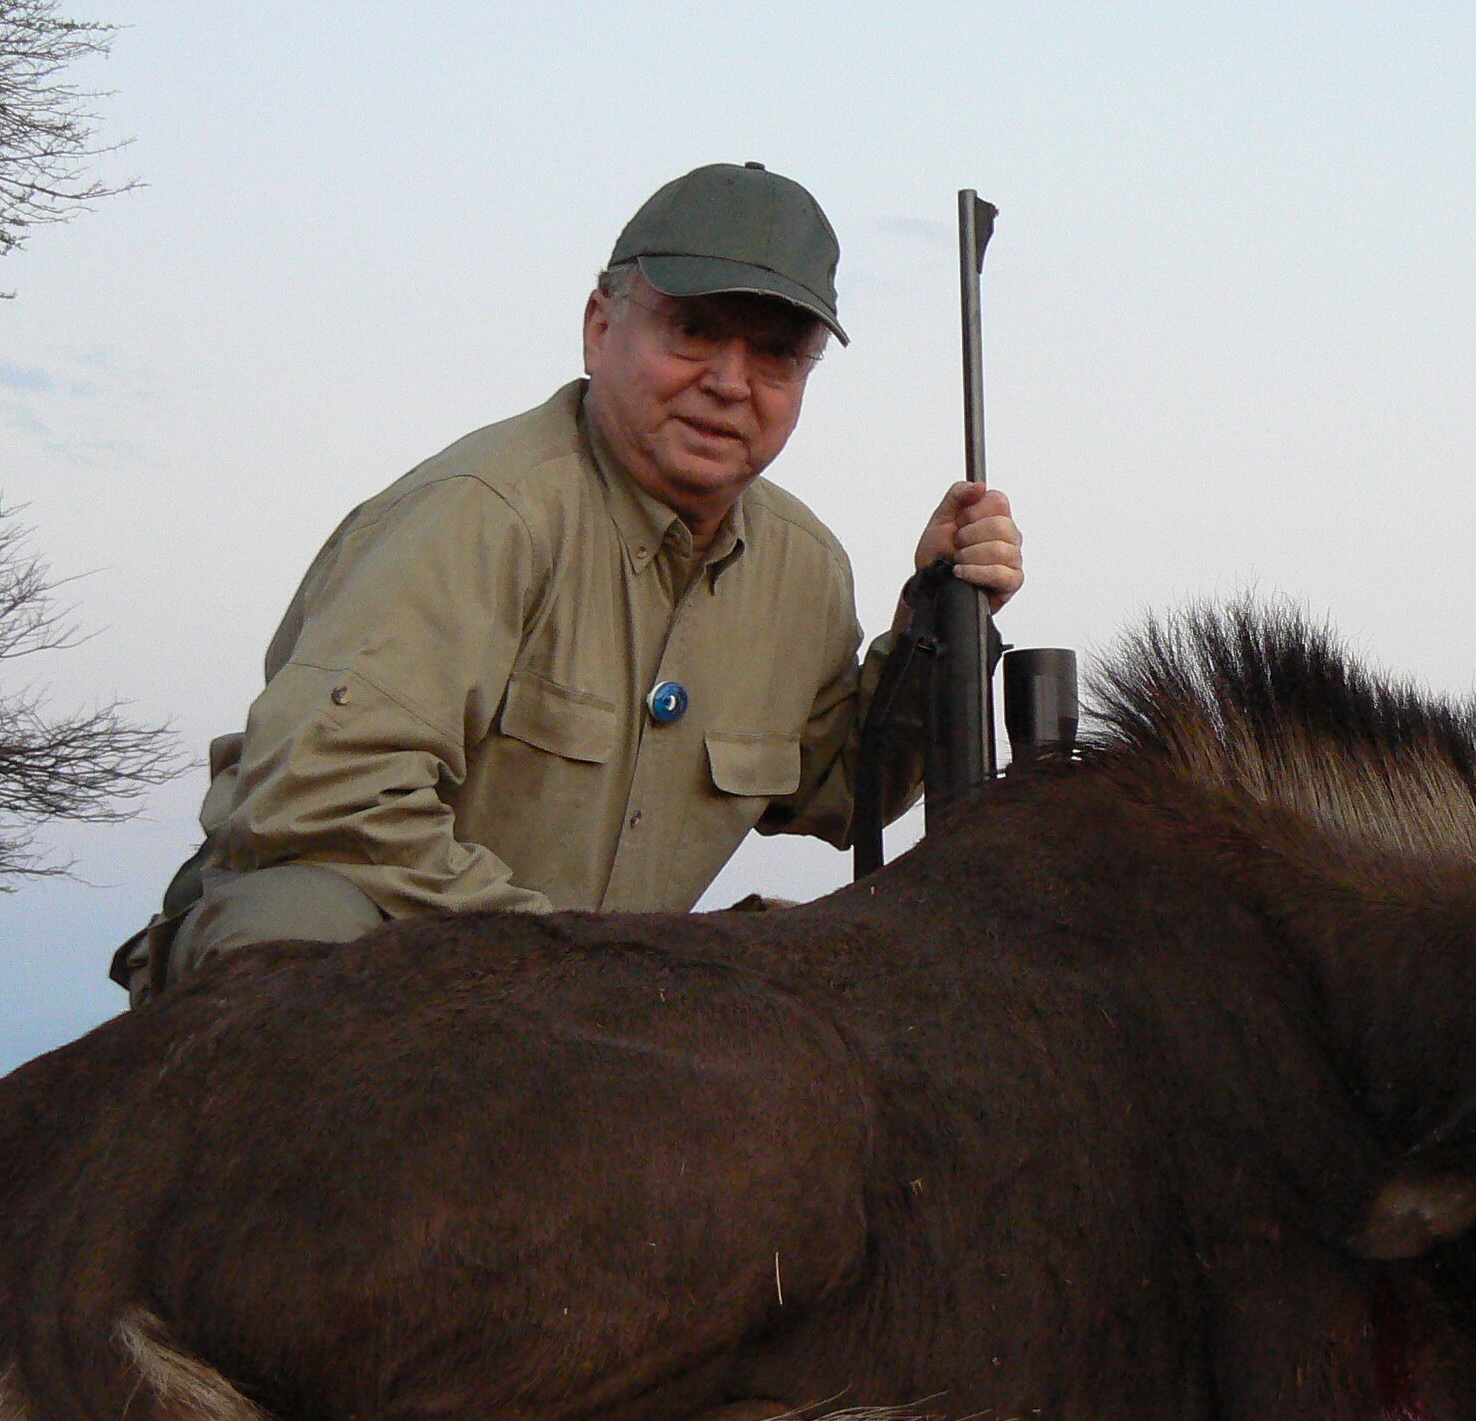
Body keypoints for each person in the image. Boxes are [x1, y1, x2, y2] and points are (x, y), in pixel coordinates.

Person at [113, 162, 1022, 997]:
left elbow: (840, 795)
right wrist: (592, 972)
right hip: (409, 957)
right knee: (300, 931)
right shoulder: (480, 512)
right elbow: (320, 804)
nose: (729, 382)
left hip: (585, 998)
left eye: (775, 353)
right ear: (600, 325)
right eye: (695, 331)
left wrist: (938, 621)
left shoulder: (807, 566)